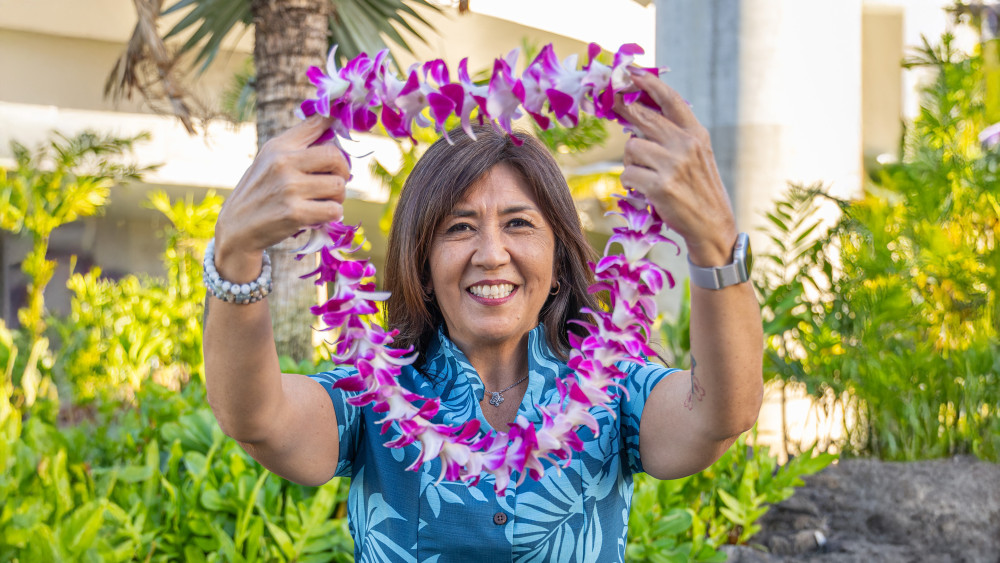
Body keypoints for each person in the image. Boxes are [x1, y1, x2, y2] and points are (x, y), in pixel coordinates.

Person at [203, 69, 763, 562]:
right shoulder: (371, 394)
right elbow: (258, 419)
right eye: (459, 227)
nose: (491, 254)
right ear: (423, 265)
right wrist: (235, 250)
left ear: (558, 261)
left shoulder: (615, 390)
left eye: (519, 223)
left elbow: (721, 414)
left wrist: (714, 243)